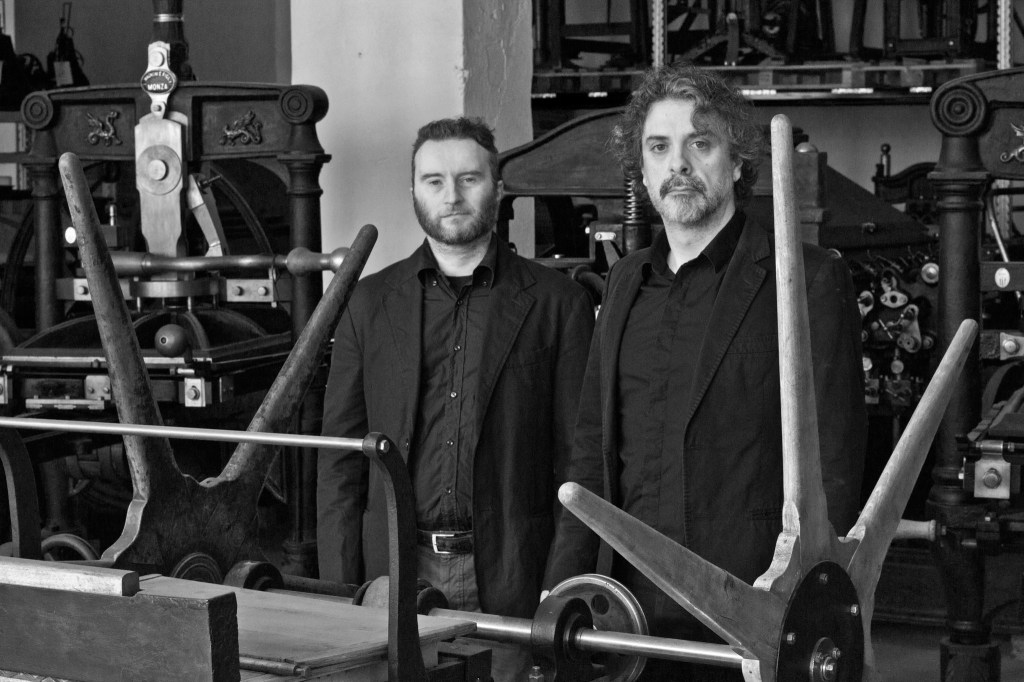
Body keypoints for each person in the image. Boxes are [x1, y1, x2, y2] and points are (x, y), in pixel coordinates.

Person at [543, 65, 866, 681]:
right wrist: (562, 591)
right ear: (642, 172)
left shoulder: (806, 279)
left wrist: (807, 611)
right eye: (658, 148)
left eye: (701, 143)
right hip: (630, 614)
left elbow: (836, 466)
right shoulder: (625, 281)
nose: (678, 165)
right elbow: (591, 453)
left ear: (737, 162)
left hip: (753, 614)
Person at [317, 117, 595, 680]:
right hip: (394, 576)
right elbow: (340, 463)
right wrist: (340, 592)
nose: (452, 195)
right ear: (414, 191)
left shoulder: (558, 303)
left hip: (514, 577)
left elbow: (580, 463)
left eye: (469, 178)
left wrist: (561, 585)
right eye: (434, 181)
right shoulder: (368, 303)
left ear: (498, 187)